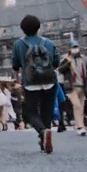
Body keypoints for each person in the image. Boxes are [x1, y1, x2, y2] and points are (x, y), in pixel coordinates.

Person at [12, 14, 60, 154]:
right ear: (39, 27)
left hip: (30, 82)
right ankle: (45, 137)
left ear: (23, 29)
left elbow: (16, 64)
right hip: (50, 82)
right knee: (47, 111)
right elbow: (56, 62)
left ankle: (42, 132)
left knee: (30, 112)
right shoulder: (49, 43)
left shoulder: (19, 44)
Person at [58, 45, 87, 135]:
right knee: (77, 106)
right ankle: (80, 126)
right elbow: (60, 69)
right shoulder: (66, 58)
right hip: (71, 86)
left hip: (82, 85)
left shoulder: (84, 59)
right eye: (73, 47)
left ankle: (80, 125)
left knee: (81, 106)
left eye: (76, 47)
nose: (75, 49)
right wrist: (67, 62)